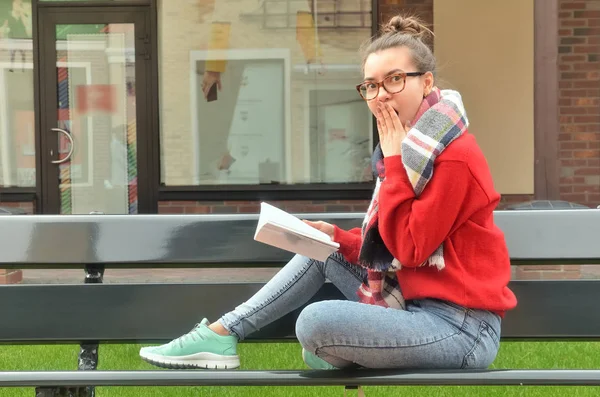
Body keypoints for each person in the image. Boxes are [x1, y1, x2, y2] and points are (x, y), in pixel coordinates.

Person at [139, 14, 517, 371]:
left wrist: (394, 161)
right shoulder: (410, 152)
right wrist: (337, 239)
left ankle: (341, 348)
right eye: (371, 85)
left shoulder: (451, 156)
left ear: (427, 83)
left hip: (463, 328)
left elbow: (410, 249)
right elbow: (394, 242)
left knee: (315, 322)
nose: (381, 95)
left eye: (396, 79)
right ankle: (221, 335)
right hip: (416, 307)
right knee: (318, 247)